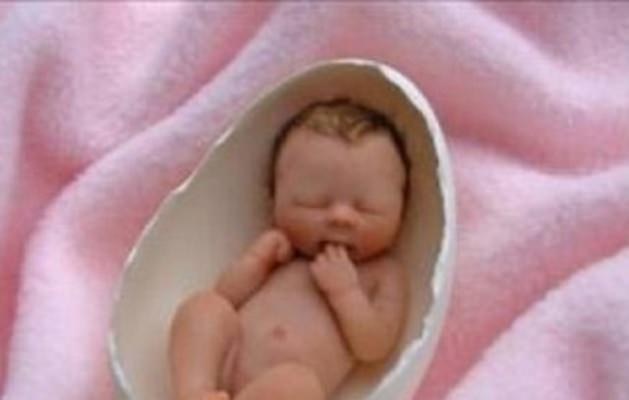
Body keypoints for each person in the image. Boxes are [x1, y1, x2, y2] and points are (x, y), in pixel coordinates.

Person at [169, 98, 410, 400]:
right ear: (275, 200)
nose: (340, 217)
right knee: (205, 306)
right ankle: (195, 391)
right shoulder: (283, 251)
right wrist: (256, 260)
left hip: (284, 393)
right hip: (227, 362)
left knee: (298, 383)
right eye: (313, 203)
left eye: (366, 207)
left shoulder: (383, 273)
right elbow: (226, 296)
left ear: (401, 210)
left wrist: (345, 291)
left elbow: (373, 347)